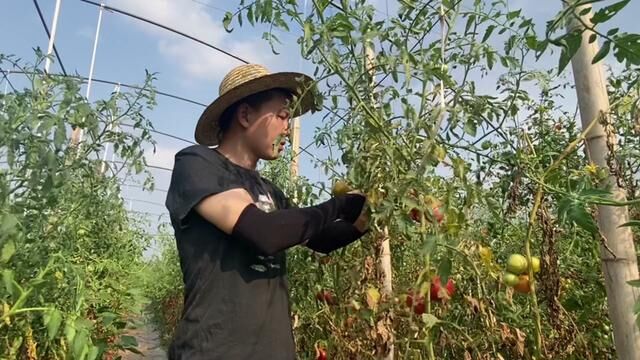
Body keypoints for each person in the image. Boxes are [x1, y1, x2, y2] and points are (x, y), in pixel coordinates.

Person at [164, 64, 370, 359]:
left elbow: (319, 238)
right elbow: (264, 232)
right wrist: (338, 205)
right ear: (246, 115)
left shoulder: (270, 191)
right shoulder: (197, 164)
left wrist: (369, 217)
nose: (288, 128)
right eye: (283, 116)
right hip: (213, 350)